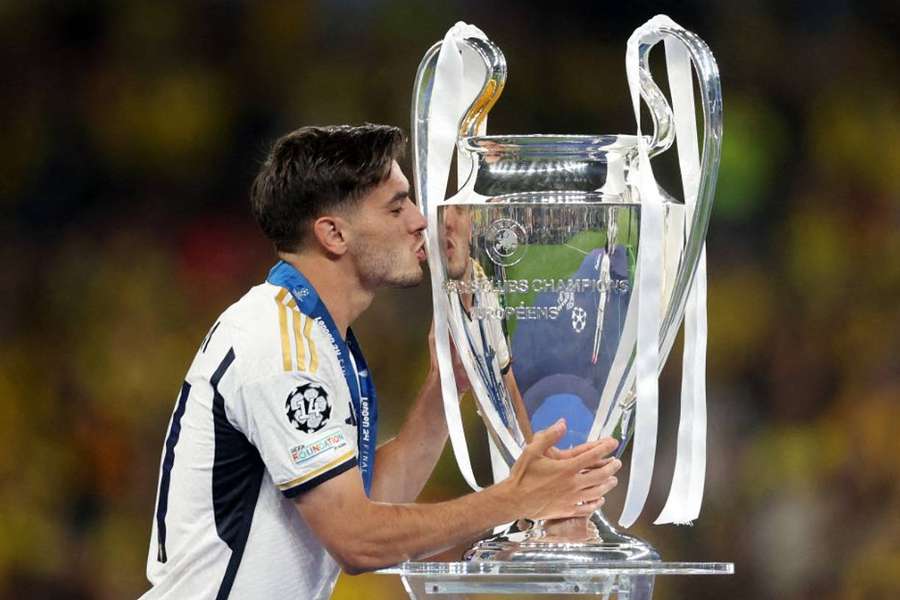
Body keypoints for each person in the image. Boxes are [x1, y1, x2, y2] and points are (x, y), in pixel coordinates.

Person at [141, 124, 622, 600]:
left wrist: (444, 389)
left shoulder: (318, 335)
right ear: (333, 234)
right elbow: (357, 540)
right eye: (397, 206)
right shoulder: (279, 347)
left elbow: (370, 502)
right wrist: (513, 499)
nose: (420, 220)